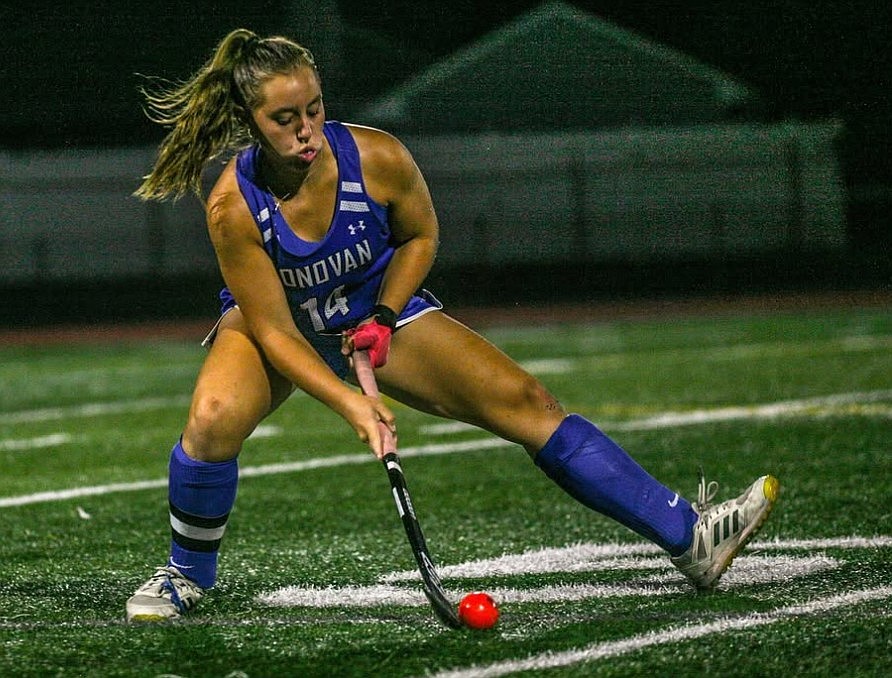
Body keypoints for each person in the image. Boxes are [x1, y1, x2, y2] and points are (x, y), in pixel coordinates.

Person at [125, 28, 779, 623]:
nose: (307, 131)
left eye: (314, 109)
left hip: (372, 307)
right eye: (285, 119)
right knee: (212, 418)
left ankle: (689, 537)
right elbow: (273, 333)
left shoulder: (376, 158)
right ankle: (187, 574)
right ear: (249, 120)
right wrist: (353, 405)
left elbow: (420, 237)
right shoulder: (233, 207)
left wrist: (385, 317)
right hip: (279, 323)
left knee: (527, 402)